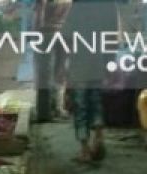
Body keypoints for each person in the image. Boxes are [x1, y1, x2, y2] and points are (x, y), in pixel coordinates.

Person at [61, 0, 119, 163]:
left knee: (81, 107)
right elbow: (112, 37)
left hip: (80, 63)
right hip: (99, 62)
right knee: (96, 102)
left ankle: (85, 150)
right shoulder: (109, 5)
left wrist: (64, 64)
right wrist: (109, 63)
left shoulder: (79, 5)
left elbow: (67, 36)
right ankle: (99, 138)